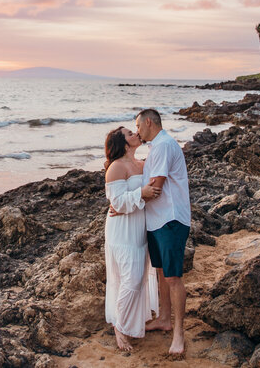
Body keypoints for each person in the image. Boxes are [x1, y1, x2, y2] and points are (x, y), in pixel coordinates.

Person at [135, 108, 191, 356]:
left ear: (148, 122)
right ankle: (164, 318)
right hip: (157, 220)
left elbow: (155, 188)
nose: (137, 131)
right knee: (161, 272)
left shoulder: (163, 146)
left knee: (173, 277)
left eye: (138, 126)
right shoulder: (155, 148)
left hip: (170, 219)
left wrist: (128, 202)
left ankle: (178, 333)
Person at [103, 126, 161, 352]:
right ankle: (120, 326)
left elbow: (155, 188)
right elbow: (117, 203)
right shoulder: (116, 167)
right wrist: (140, 195)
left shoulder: (141, 164)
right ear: (124, 143)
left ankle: (127, 320)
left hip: (139, 227)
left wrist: (142, 197)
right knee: (132, 279)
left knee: (136, 277)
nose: (136, 134)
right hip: (122, 230)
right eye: (130, 133)